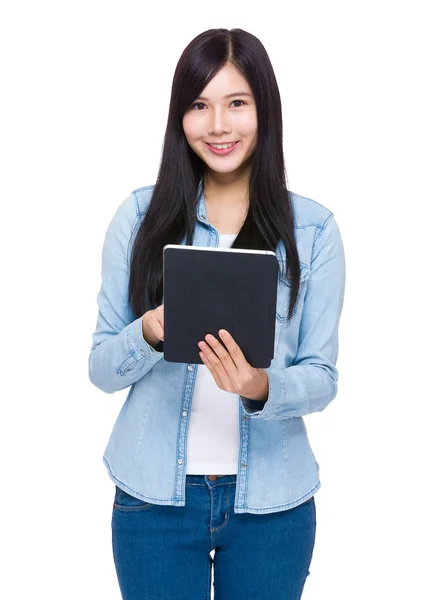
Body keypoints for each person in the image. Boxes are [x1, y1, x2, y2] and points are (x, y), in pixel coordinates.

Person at [88, 27, 346, 600]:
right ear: (180, 116)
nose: (218, 125)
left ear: (264, 111)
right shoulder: (137, 218)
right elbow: (101, 367)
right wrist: (150, 331)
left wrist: (259, 385)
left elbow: (322, 378)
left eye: (237, 103)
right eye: (199, 106)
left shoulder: (314, 231)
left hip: (272, 506)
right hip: (153, 501)